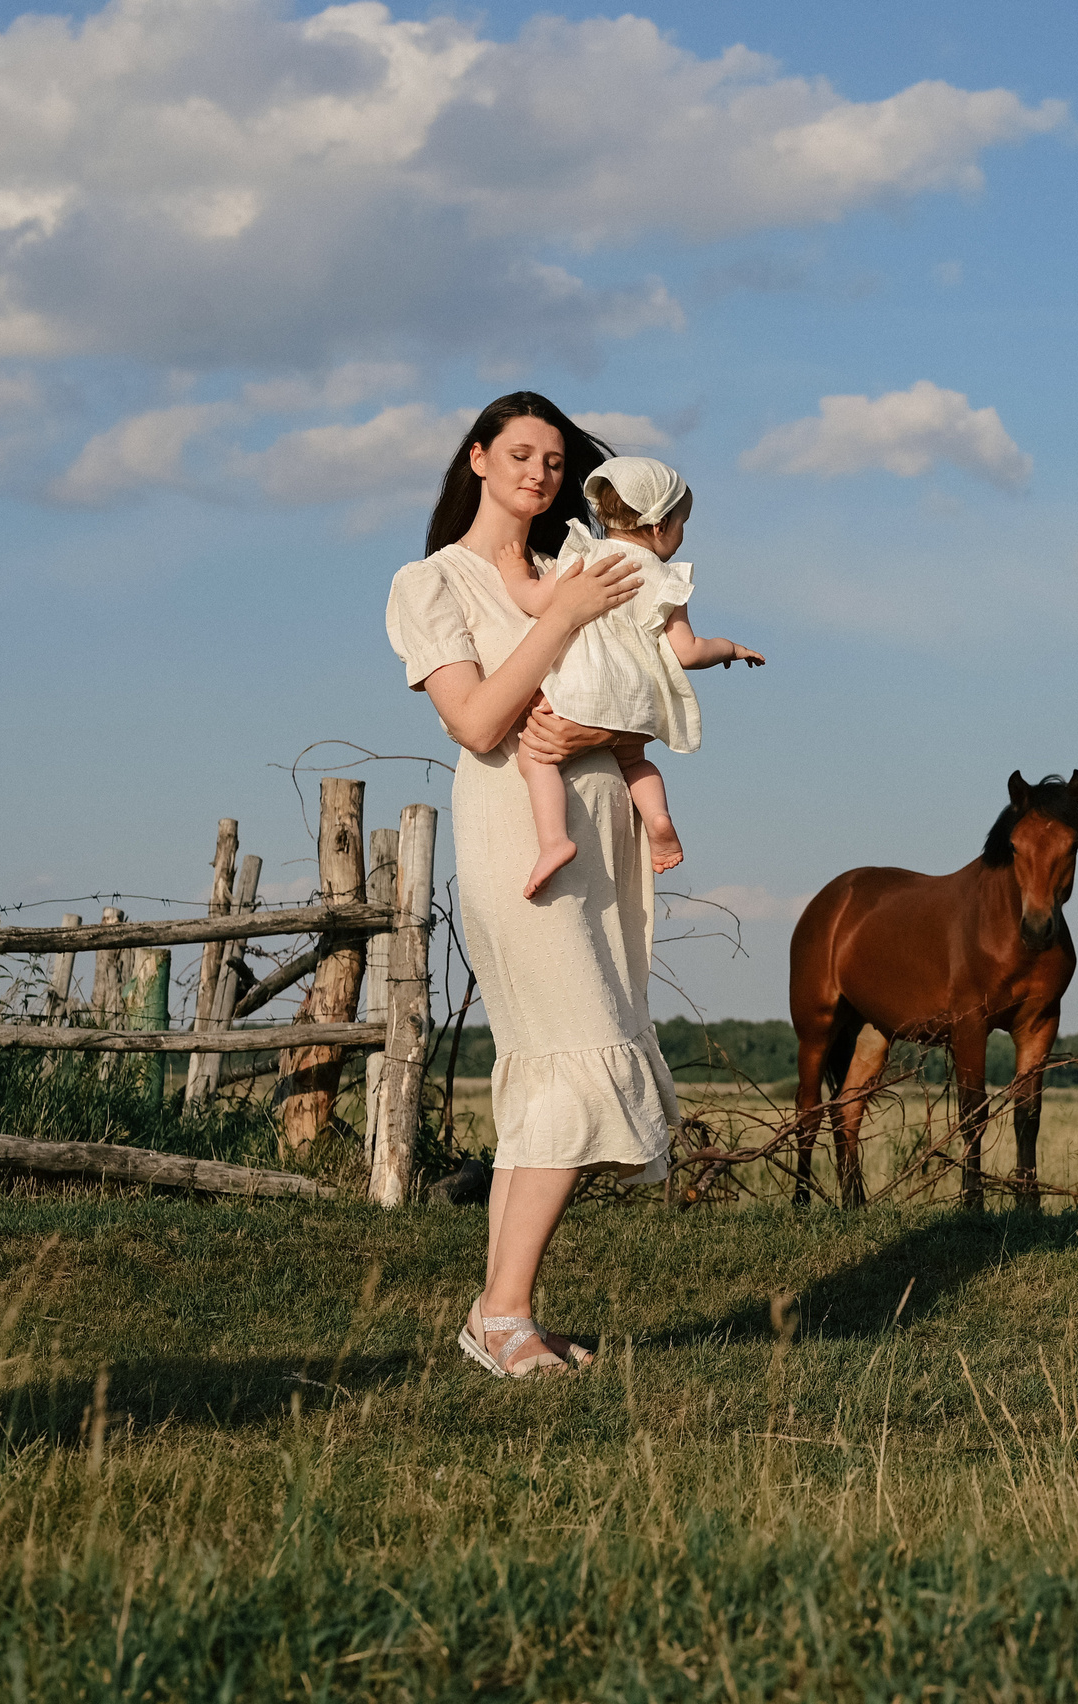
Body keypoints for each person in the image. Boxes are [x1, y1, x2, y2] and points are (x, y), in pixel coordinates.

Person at [384, 392, 715, 1378]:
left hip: (600, 835)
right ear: (479, 458)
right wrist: (563, 616)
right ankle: (502, 1313)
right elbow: (479, 722)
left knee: (552, 1066)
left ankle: (501, 1318)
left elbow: (642, 698)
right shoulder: (433, 581)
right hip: (518, 838)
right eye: (522, 453)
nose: (540, 472)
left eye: (556, 461)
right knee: (569, 1058)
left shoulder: (582, 561)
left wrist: (600, 727)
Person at [506, 456, 766, 899]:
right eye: (683, 523)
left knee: (535, 758)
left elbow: (535, 601)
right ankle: (658, 818)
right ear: (661, 526)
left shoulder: (587, 555)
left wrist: (515, 571)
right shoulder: (666, 580)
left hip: (586, 688)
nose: (682, 534)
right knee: (635, 763)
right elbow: (687, 652)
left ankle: (554, 841)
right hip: (637, 697)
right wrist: (730, 649)